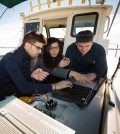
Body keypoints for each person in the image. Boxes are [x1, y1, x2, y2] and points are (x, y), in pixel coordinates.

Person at [0, 31, 72, 101]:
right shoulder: (12, 60)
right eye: (38, 48)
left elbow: (22, 76)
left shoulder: (26, 56)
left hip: (12, 89)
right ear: (27, 45)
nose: (40, 52)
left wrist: (31, 74)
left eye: (41, 48)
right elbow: (24, 88)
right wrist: (55, 86)